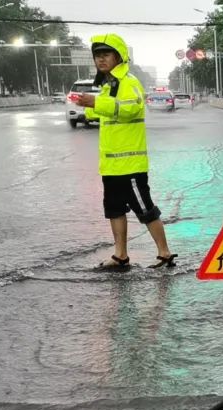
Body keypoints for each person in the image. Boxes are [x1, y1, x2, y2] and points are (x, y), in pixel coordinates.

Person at [74, 33, 176, 270]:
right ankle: (121, 255)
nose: (101, 60)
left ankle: (165, 253)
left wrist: (96, 103)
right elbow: (110, 114)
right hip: (110, 165)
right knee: (114, 210)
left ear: (119, 57)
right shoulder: (109, 85)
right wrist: (87, 107)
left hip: (130, 165)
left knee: (146, 210)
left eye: (106, 55)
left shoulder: (128, 82)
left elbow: (131, 108)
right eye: (97, 56)